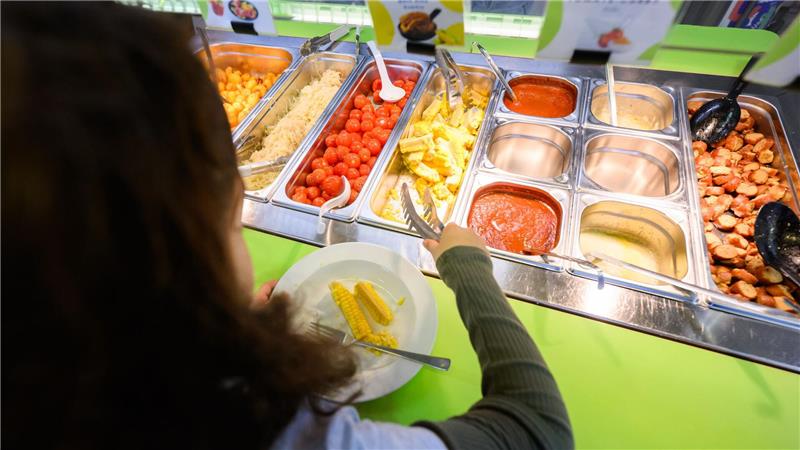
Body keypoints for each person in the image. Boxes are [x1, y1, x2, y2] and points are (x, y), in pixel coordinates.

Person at [2, 3, 572, 450]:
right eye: (231, 217)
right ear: (182, 256)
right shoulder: (263, 426)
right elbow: (537, 429)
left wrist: (212, 327)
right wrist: (469, 267)